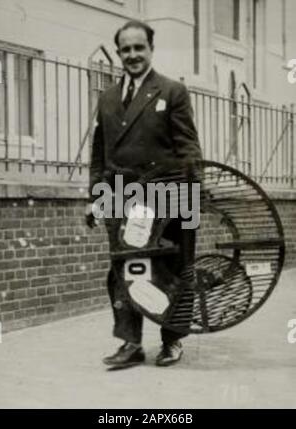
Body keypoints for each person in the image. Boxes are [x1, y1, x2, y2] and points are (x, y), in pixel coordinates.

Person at [86, 20, 202, 369]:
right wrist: (97, 197)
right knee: (124, 271)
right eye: (126, 49)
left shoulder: (172, 91)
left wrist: (192, 196)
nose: (133, 55)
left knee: (175, 269)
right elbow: (99, 155)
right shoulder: (107, 98)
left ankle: (172, 340)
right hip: (123, 197)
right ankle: (130, 343)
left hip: (168, 197)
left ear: (151, 49)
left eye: (139, 48)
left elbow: (189, 148)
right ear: (119, 53)